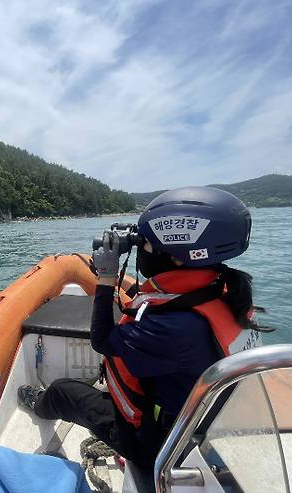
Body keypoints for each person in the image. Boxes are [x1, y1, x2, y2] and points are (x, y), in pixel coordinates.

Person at [18, 186, 262, 471]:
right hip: (202, 425)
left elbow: (103, 340)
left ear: (177, 258)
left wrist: (107, 276)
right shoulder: (223, 291)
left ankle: (38, 403)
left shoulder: (173, 327)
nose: (140, 249)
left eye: (145, 244)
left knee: (62, 391)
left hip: (160, 446)